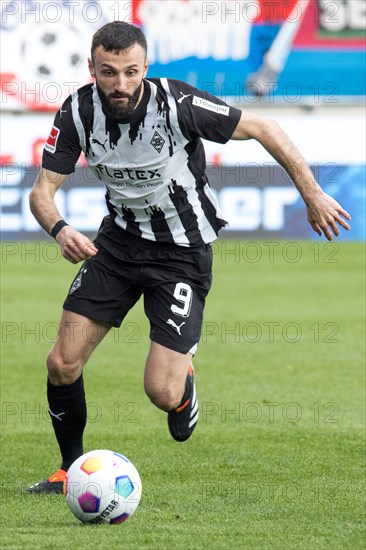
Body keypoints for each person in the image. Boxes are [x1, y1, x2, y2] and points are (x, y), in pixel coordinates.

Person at [27, 21, 350, 493]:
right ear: (91, 68)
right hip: (116, 246)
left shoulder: (176, 104)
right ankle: (68, 470)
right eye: (109, 72)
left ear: (146, 68)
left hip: (182, 253)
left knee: (161, 391)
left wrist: (313, 194)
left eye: (130, 72)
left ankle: (183, 386)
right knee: (62, 361)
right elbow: (42, 192)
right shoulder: (77, 111)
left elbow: (264, 126)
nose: (120, 84)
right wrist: (59, 229)